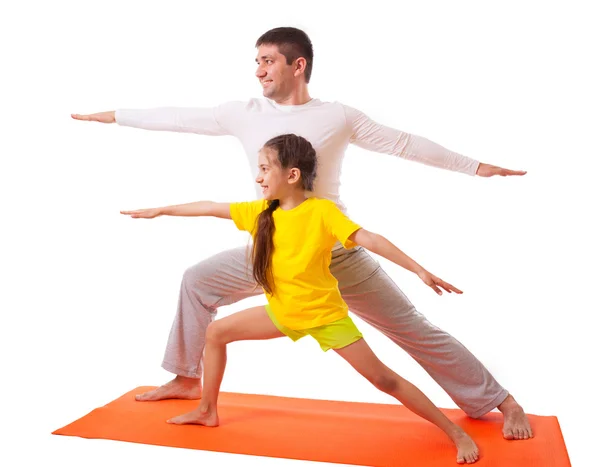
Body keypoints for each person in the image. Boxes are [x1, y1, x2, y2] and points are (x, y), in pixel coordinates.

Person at [73, 27, 533, 440]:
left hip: (334, 253)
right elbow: (178, 118)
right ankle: (187, 378)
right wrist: (114, 115)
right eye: (256, 61)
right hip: (271, 251)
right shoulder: (243, 112)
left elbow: (405, 144)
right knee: (198, 280)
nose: (258, 71)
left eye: (267, 60)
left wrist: (476, 168)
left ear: (299, 65)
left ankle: (498, 400)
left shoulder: (338, 116)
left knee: (412, 328)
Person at [121, 134, 481, 464]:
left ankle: (456, 433)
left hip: (325, 316)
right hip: (283, 312)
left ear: (291, 175)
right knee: (215, 334)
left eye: (264, 169)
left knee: (384, 380)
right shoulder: (262, 214)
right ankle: (206, 410)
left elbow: (370, 239)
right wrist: (161, 210)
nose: (258, 177)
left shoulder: (321, 212)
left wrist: (419, 269)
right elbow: (210, 206)